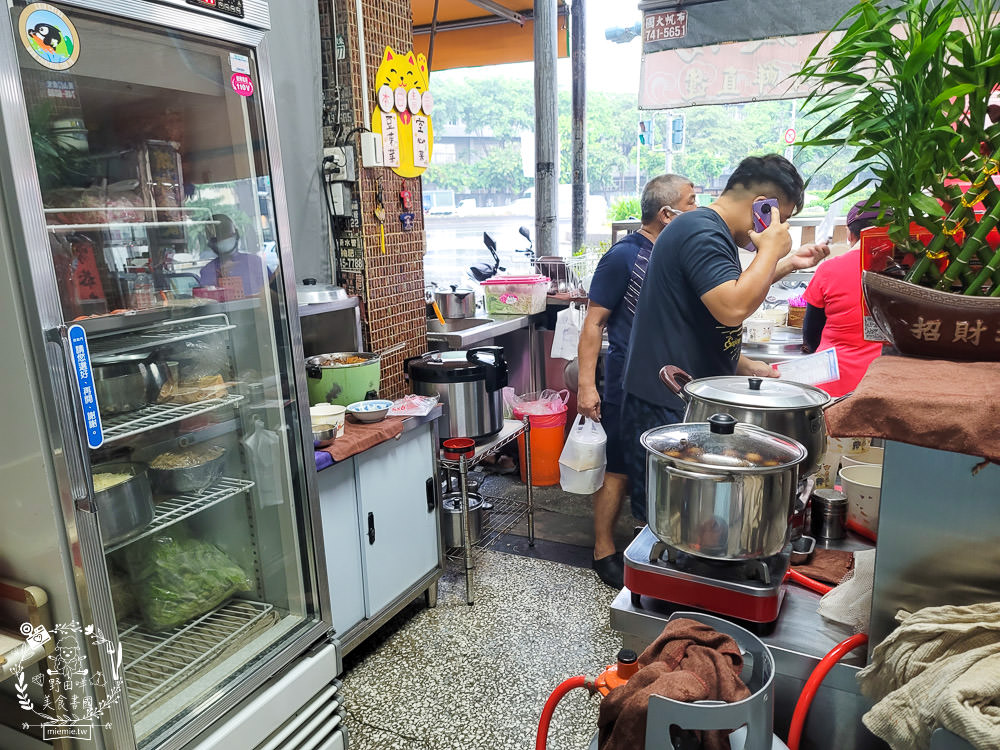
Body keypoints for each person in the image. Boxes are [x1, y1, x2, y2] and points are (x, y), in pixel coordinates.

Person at [621, 154, 830, 523]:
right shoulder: (701, 230)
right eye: (783, 217)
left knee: (695, 517)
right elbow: (732, 307)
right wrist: (769, 250)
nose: (781, 228)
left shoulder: (706, 229)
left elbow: (718, 302)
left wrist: (785, 263)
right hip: (669, 398)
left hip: (687, 394)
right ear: (764, 207)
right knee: (669, 517)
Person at [576, 174, 698, 588]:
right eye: (692, 201)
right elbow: (593, 323)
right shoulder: (625, 256)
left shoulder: (671, 253)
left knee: (657, 467)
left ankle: (648, 543)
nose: (699, 209)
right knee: (621, 466)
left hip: (665, 384)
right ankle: (603, 550)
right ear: (667, 213)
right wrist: (586, 386)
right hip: (626, 383)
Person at [801, 199, 885, 396]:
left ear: (850, 234)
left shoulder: (829, 269)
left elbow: (811, 333)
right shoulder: (909, 271)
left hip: (831, 383)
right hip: (883, 383)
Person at [199, 214, 267, 297]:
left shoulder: (255, 262)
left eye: (227, 234)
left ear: (237, 234)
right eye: (218, 237)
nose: (223, 239)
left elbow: (271, 293)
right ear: (210, 242)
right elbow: (208, 301)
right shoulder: (208, 271)